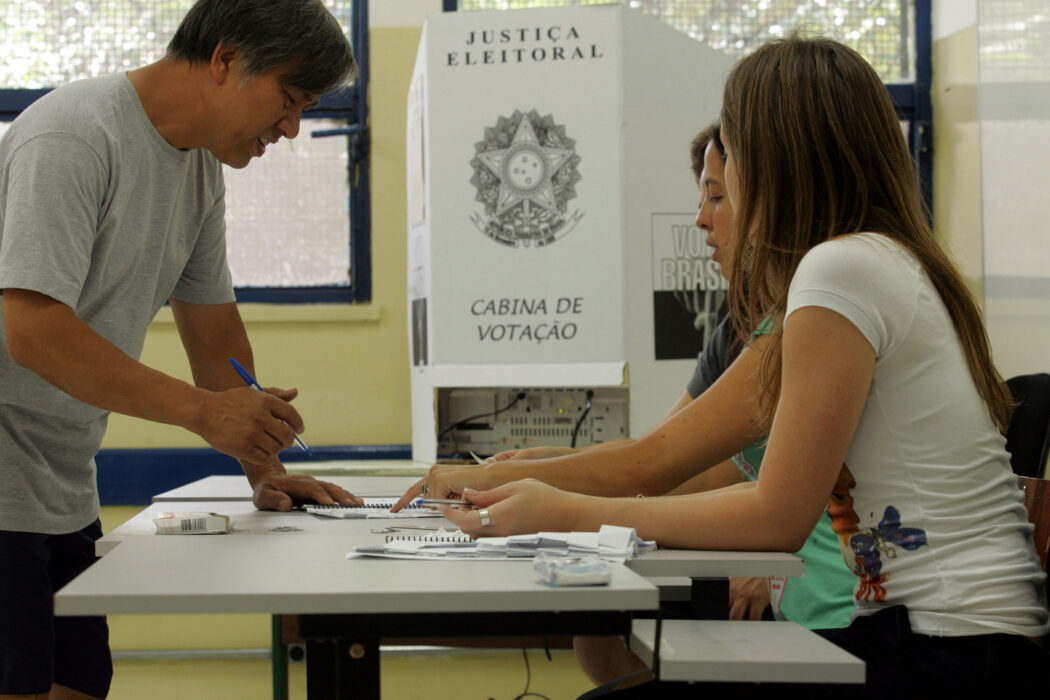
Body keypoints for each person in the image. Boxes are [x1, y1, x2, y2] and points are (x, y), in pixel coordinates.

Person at [412, 35, 1050, 696]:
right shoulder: (870, 265)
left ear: (774, 163)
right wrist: (535, 482)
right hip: (940, 643)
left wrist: (563, 509)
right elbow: (661, 460)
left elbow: (773, 516)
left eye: (731, 160)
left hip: (952, 656)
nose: (714, 201)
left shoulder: (843, 272)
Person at [0, 2, 360, 697]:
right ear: (225, 60)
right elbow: (32, 330)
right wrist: (202, 414)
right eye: (288, 101)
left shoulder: (197, 172)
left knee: (78, 685)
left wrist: (264, 464)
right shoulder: (73, 136)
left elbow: (213, 331)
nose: (291, 129)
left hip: (63, 480)